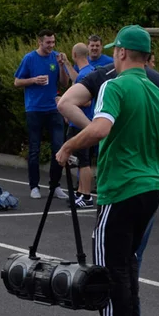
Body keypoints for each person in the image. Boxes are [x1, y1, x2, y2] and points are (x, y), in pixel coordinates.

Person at [56, 25, 159, 316]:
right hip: (150, 187)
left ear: (121, 53)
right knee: (128, 266)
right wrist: (153, 175)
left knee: (110, 270)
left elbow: (100, 128)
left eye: (113, 51)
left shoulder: (114, 85)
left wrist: (67, 147)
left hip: (121, 188)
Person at [14, 30, 70, 200]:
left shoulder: (56, 57)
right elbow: (17, 81)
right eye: (48, 43)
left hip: (54, 108)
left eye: (53, 42)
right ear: (39, 42)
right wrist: (33, 80)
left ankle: (55, 185)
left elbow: (64, 82)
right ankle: (34, 185)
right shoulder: (29, 58)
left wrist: (62, 66)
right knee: (34, 148)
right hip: (34, 108)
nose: (51, 46)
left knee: (58, 147)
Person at [66, 43, 98, 208]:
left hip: (80, 122)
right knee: (80, 160)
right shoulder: (90, 71)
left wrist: (66, 104)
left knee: (84, 161)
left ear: (74, 54)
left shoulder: (84, 75)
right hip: (86, 121)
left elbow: (85, 101)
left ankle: (86, 196)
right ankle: (81, 192)